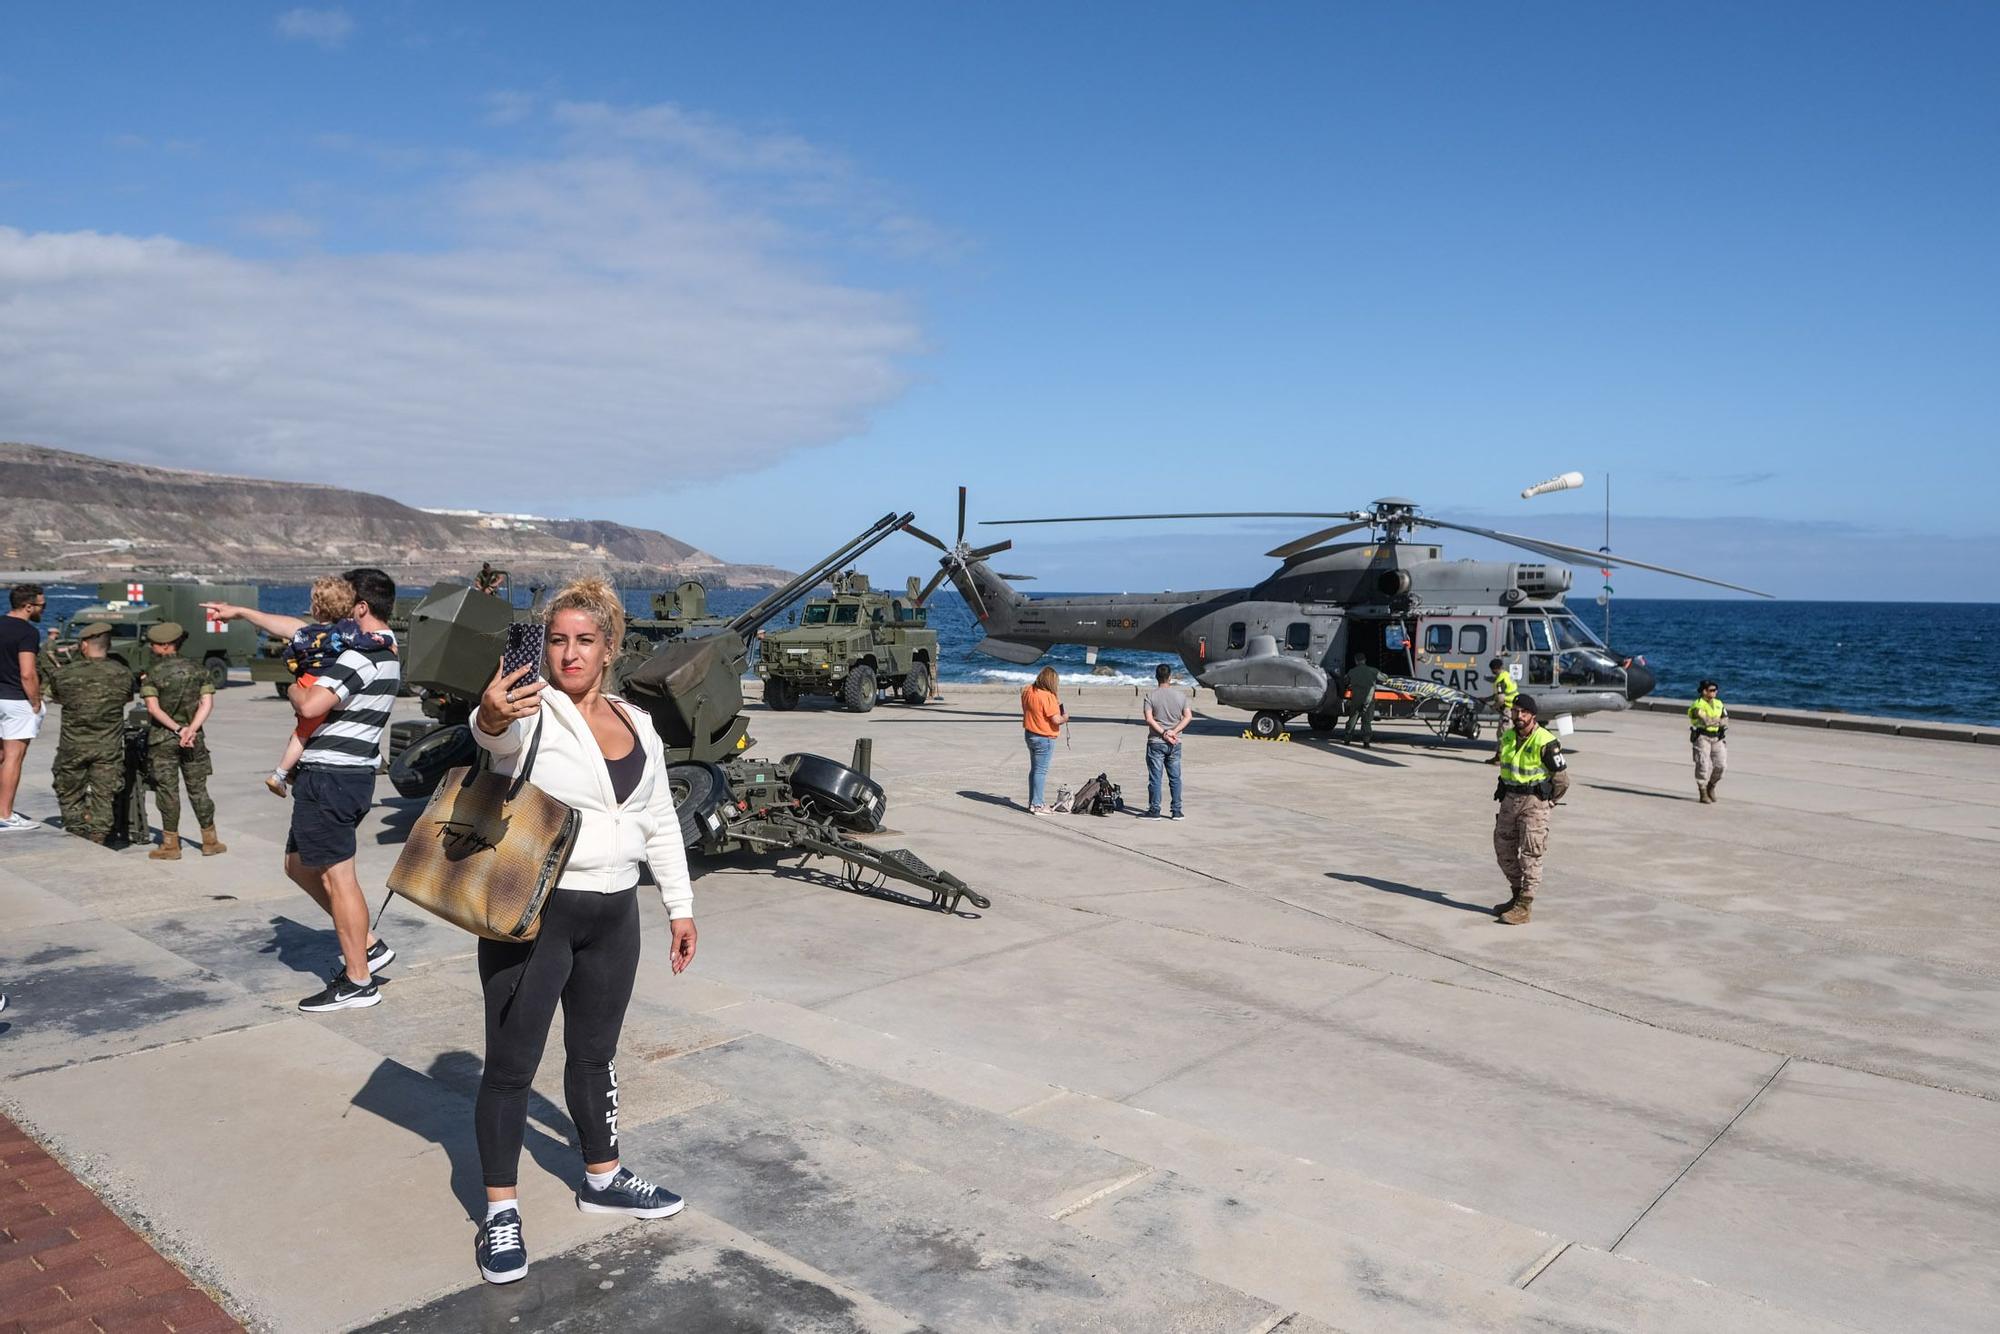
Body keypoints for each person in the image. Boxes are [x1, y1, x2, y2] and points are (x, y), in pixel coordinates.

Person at [468, 578, 697, 1286]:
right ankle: (500, 1212)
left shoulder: (638, 721)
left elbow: (658, 816)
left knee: (595, 1056)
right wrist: (488, 710)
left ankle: (603, 1175)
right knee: (510, 1068)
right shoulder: (532, 711)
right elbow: (491, 739)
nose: (569, 653)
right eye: (558, 640)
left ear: (609, 650)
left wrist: (679, 907)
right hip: (536, 911)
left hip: (614, 911)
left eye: (584, 641)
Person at [204, 568, 400, 1012]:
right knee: (297, 865)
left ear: (361, 608)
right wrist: (241, 612)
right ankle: (365, 942)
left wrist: (295, 685)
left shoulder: (361, 656)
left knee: (337, 876)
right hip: (330, 774)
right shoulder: (368, 642)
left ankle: (359, 981)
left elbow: (310, 703)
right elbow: (299, 629)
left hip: (334, 775)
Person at [264, 576, 394, 798]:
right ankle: (280, 774)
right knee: (307, 729)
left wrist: (298, 675)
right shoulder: (344, 630)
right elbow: (364, 642)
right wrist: (385, 642)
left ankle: (291, 768)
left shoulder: (303, 633)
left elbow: (289, 657)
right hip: (325, 682)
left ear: (316, 608)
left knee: (302, 729)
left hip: (305, 680)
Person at [139, 622, 226, 861]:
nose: (152, 647)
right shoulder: (199, 670)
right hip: (194, 739)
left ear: (166, 645)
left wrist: (178, 729)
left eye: (155, 643)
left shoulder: (152, 673)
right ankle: (210, 841)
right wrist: (191, 730)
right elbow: (207, 704)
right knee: (199, 790)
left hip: (162, 739)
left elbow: (153, 709)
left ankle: (171, 845)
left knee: (168, 792)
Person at [47, 623, 134, 844]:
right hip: (108, 747)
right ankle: (99, 834)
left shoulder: (64, 673)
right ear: (109, 645)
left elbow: (56, 697)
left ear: (83, 645)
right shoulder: (123, 673)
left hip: (73, 746)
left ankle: (76, 827)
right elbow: (127, 699)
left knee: (69, 789)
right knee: (104, 793)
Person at [1491, 694, 1569, 925]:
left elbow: (1563, 780)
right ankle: (1516, 894)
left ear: (1533, 715)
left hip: (1534, 802)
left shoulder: (1546, 741)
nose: (1519, 716)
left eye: (1524, 712)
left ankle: (1525, 905)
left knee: (1530, 854)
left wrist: (1549, 802)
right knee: (1503, 848)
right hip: (1509, 800)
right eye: (1516, 711)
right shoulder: (1507, 737)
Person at [0, 584, 48, 830]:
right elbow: (27, 673)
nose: (43, 609)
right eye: (42, 605)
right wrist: (36, 701)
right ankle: (5, 816)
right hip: (16, 700)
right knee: (13, 757)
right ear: (28, 606)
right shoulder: (27, 633)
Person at [1142, 663, 1192, 819]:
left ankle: (1155, 810)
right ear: (1170, 677)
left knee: (1155, 778)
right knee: (1175, 778)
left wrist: (1164, 732)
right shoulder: (1181, 696)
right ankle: (1176, 810)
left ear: (1156, 677)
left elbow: (1149, 719)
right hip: (1175, 742)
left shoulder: (1150, 696)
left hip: (1156, 741)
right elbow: (1188, 717)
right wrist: (1174, 731)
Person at [1020, 666, 1066, 812]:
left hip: (1030, 734)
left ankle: (1033, 802)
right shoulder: (1048, 696)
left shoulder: (1027, 690)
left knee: (1034, 770)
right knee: (1040, 771)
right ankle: (1038, 804)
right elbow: (1056, 720)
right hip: (1044, 737)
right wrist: (1065, 717)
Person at [1688, 678, 1728, 803]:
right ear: (1704, 691)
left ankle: (1711, 786)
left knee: (1721, 766)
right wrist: (1716, 720)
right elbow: (1705, 720)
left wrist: (1715, 720)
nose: (1715, 692)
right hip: (1702, 737)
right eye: (1712, 690)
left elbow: (1725, 720)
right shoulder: (1697, 704)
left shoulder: (1719, 703)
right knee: (1702, 764)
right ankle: (1703, 791)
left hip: (1717, 737)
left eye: (1716, 690)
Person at [1341, 654, 1381, 748]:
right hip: (1369, 700)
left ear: (1356, 661)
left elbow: (1345, 681)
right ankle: (1366, 742)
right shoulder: (1373, 671)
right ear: (1365, 660)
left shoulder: (1352, 671)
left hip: (1356, 700)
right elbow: (1384, 678)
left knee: (1352, 720)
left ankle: (1347, 739)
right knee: (1366, 721)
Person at [1484, 657, 1518, 765]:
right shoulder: (1507, 675)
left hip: (1507, 709)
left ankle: (1503, 759)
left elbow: (1501, 698)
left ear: (1494, 669)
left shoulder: (1500, 680)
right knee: (1503, 733)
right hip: (1513, 707)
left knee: (1504, 734)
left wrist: (1494, 706)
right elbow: (1500, 695)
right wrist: (1486, 699)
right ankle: (1498, 757)